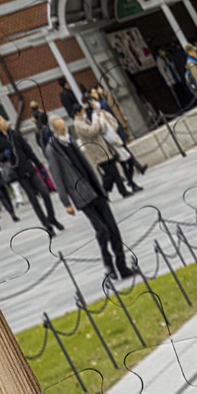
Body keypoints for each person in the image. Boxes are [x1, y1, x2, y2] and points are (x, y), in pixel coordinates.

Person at [43, 116, 133, 279]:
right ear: (53, 132)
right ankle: (108, 265)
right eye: (60, 130)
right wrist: (66, 202)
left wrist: (99, 185)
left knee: (113, 229)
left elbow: (86, 164)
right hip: (80, 195)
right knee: (102, 230)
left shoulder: (70, 142)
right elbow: (57, 177)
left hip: (94, 189)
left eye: (64, 128)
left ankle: (122, 266)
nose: (64, 132)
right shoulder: (52, 150)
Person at [0, 114, 65, 236]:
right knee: (34, 200)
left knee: (45, 193)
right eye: (0, 119)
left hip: (29, 168)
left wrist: (38, 164)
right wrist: (4, 156)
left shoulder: (14, 133)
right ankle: (47, 226)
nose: (4, 120)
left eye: (3, 118)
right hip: (19, 173)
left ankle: (52, 218)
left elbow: (27, 149)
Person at [74, 101, 135, 198]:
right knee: (112, 174)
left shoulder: (83, 120)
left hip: (102, 149)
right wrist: (96, 122)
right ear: (77, 113)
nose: (84, 112)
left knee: (112, 173)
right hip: (97, 152)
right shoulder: (78, 124)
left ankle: (109, 191)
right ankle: (110, 191)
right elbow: (91, 131)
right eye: (82, 110)